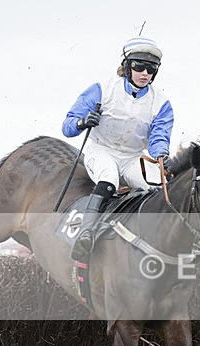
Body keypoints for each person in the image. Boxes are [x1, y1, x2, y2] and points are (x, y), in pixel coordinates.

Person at [63, 36, 174, 260]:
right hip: (101, 150)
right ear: (127, 66)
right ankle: (86, 234)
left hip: (133, 157)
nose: (145, 74)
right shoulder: (101, 89)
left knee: (156, 190)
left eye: (151, 69)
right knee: (108, 178)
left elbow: (159, 137)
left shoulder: (161, 102)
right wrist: (83, 122)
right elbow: (68, 126)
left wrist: (162, 154)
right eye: (139, 66)